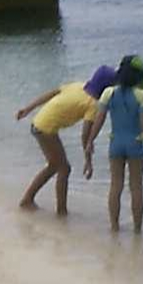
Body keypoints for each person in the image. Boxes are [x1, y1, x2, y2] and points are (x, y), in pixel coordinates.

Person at [14, 64, 119, 214]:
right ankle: (60, 210)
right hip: (45, 128)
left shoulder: (78, 86)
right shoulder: (93, 104)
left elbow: (52, 93)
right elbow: (85, 135)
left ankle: (29, 200)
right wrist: (88, 161)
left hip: (39, 123)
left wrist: (28, 109)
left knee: (54, 166)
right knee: (63, 168)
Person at [85, 55, 143, 233]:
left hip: (115, 144)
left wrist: (90, 141)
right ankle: (137, 230)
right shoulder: (142, 95)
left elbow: (99, 121)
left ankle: (114, 227)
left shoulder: (108, 93)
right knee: (136, 188)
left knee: (115, 186)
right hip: (135, 145)